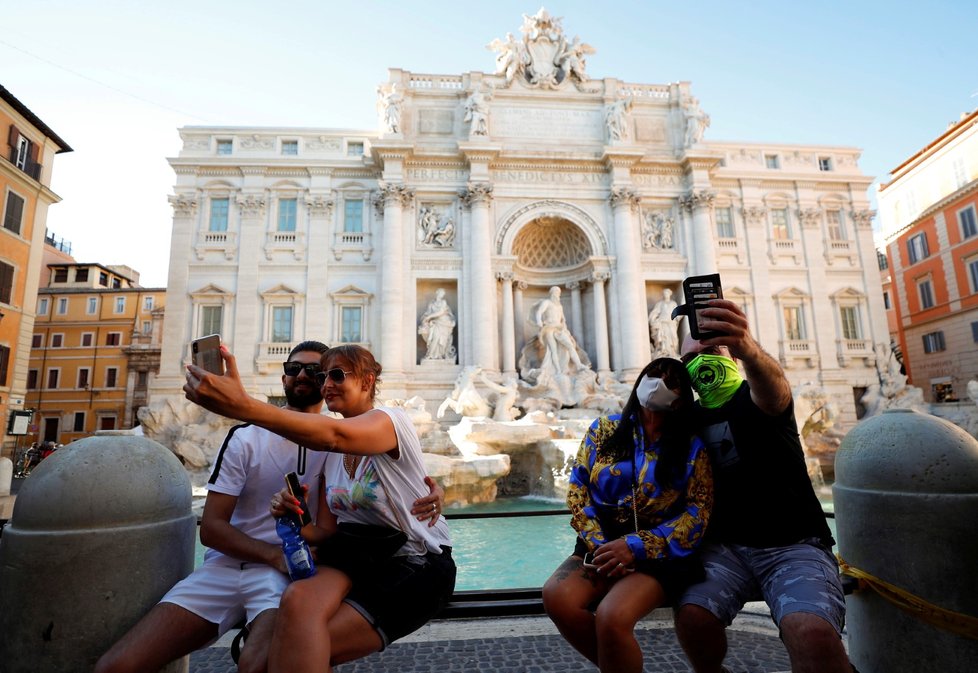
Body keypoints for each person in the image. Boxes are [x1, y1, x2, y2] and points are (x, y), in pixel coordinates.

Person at [95, 341, 443, 673]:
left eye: (323, 373)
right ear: (284, 377)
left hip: (314, 570)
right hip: (246, 567)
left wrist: (241, 403)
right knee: (116, 667)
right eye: (297, 369)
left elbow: (342, 441)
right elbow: (317, 529)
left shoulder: (344, 438)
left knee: (264, 662)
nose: (309, 378)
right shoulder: (250, 439)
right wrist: (288, 518)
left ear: (367, 380)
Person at [674, 299, 851, 673]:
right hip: (726, 549)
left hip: (793, 543)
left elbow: (775, 390)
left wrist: (748, 347)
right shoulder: (685, 418)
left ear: (733, 357)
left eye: (713, 350)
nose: (701, 363)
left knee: (812, 632)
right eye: (691, 359)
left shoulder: (756, 399)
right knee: (692, 618)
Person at [543, 357, 712, 673]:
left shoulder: (691, 446)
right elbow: (578, 491)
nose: (656, 383)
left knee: (611, 616)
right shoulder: (603, 430)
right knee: (556, 597)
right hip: (602, 546)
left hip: (661, 555)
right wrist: (602, 546)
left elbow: (698, 512)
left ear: (680, 400)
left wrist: (635, 547)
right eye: (652, 374)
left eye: (669, 381)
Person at [534, 286, 585, 375]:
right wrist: (539, 321)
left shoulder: (559, 306)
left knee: (570, 345)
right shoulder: (547, 303)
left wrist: (565, 330)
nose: (557, 295)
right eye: (556, 292)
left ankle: (579, 365)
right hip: (549, 328)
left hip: (559, 329)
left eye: (559, 293)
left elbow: (563, 320)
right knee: (553, 350)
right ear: (552, 293)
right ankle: (558, 371)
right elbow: (539, 312)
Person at [418, 288, 457, 361]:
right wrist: (425, 319)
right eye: (441, 293)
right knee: (435, 338)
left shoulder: (443, 302)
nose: (442, 295)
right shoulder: (431, 304)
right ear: (437, 293)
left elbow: (441, 312)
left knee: (442, 340)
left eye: (443, 294)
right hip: (435, 323)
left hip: (444, 323)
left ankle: (440, 355)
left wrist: (430, 317)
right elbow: (427, 313)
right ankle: (430, 355)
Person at [649, 289, 680, 357]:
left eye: (667, 293)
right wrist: (652, 320)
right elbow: (655, 312)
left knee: (673, 338)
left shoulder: (673, 303)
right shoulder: (660, 303)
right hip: (662, 322)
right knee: (664, 338)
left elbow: (677, 313)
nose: (666, 294)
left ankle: (673, 353)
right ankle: (664, 352)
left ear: (670, 294)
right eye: (664, 293)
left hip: (671, 323)